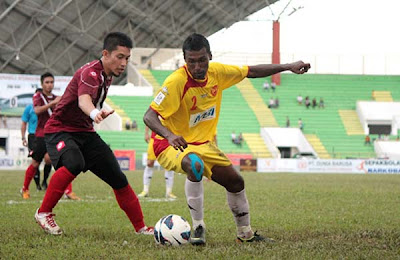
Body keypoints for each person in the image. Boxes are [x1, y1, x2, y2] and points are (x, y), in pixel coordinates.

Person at [143, 33, 310, 245]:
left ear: (210, 56)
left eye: (202, 60)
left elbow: (252, 71)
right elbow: (149, 116)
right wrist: (169, 135)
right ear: (185, 60)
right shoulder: (176, 81)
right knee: (194, 165)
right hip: (169, 144)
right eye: (191, 61)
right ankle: (198, 228)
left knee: (236, 182)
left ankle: (245, 235)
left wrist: (287, 66)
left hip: (203, 144)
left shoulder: (218, 73)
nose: (197, 66)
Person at [34, 32, 153, 236]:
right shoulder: (90, 72)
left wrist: (94, 115)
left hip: (85, 132)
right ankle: (44, 212)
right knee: (74, 163)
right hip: (60, 129)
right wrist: (96, 113)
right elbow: (83, 101)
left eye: (127, 58)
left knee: (118, 177)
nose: (124, 63)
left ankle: (141, 227)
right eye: (120, 57)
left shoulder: (107, 76)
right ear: (105, 54)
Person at [20, 73, 79, 200]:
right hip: (41, 135)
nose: (49, 84)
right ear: (42, 84)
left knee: (64, 162)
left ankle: (68, 191)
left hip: (56, 134)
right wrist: (52, 103)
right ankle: (25, 189)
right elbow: (37, 110)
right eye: (47, 82)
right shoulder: (38, 96)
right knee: (35, 162)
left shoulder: (58, 98)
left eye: (51, 82)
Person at [21, 89, 52, 191]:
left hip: (47, 135)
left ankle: (44, 181)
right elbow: (24, 123)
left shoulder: (49, 108)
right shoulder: (29, 108)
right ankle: (37, 185)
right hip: (33, 136)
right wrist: (23, 137)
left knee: (48, 159)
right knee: (36, 161)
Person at [138, 126, 177, 199]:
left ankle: (169, 192)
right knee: (150, 163)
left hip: (167, 139)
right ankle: (145, 190)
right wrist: (146, 133)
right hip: (154, 138)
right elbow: (149, 117)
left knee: (169, 164)